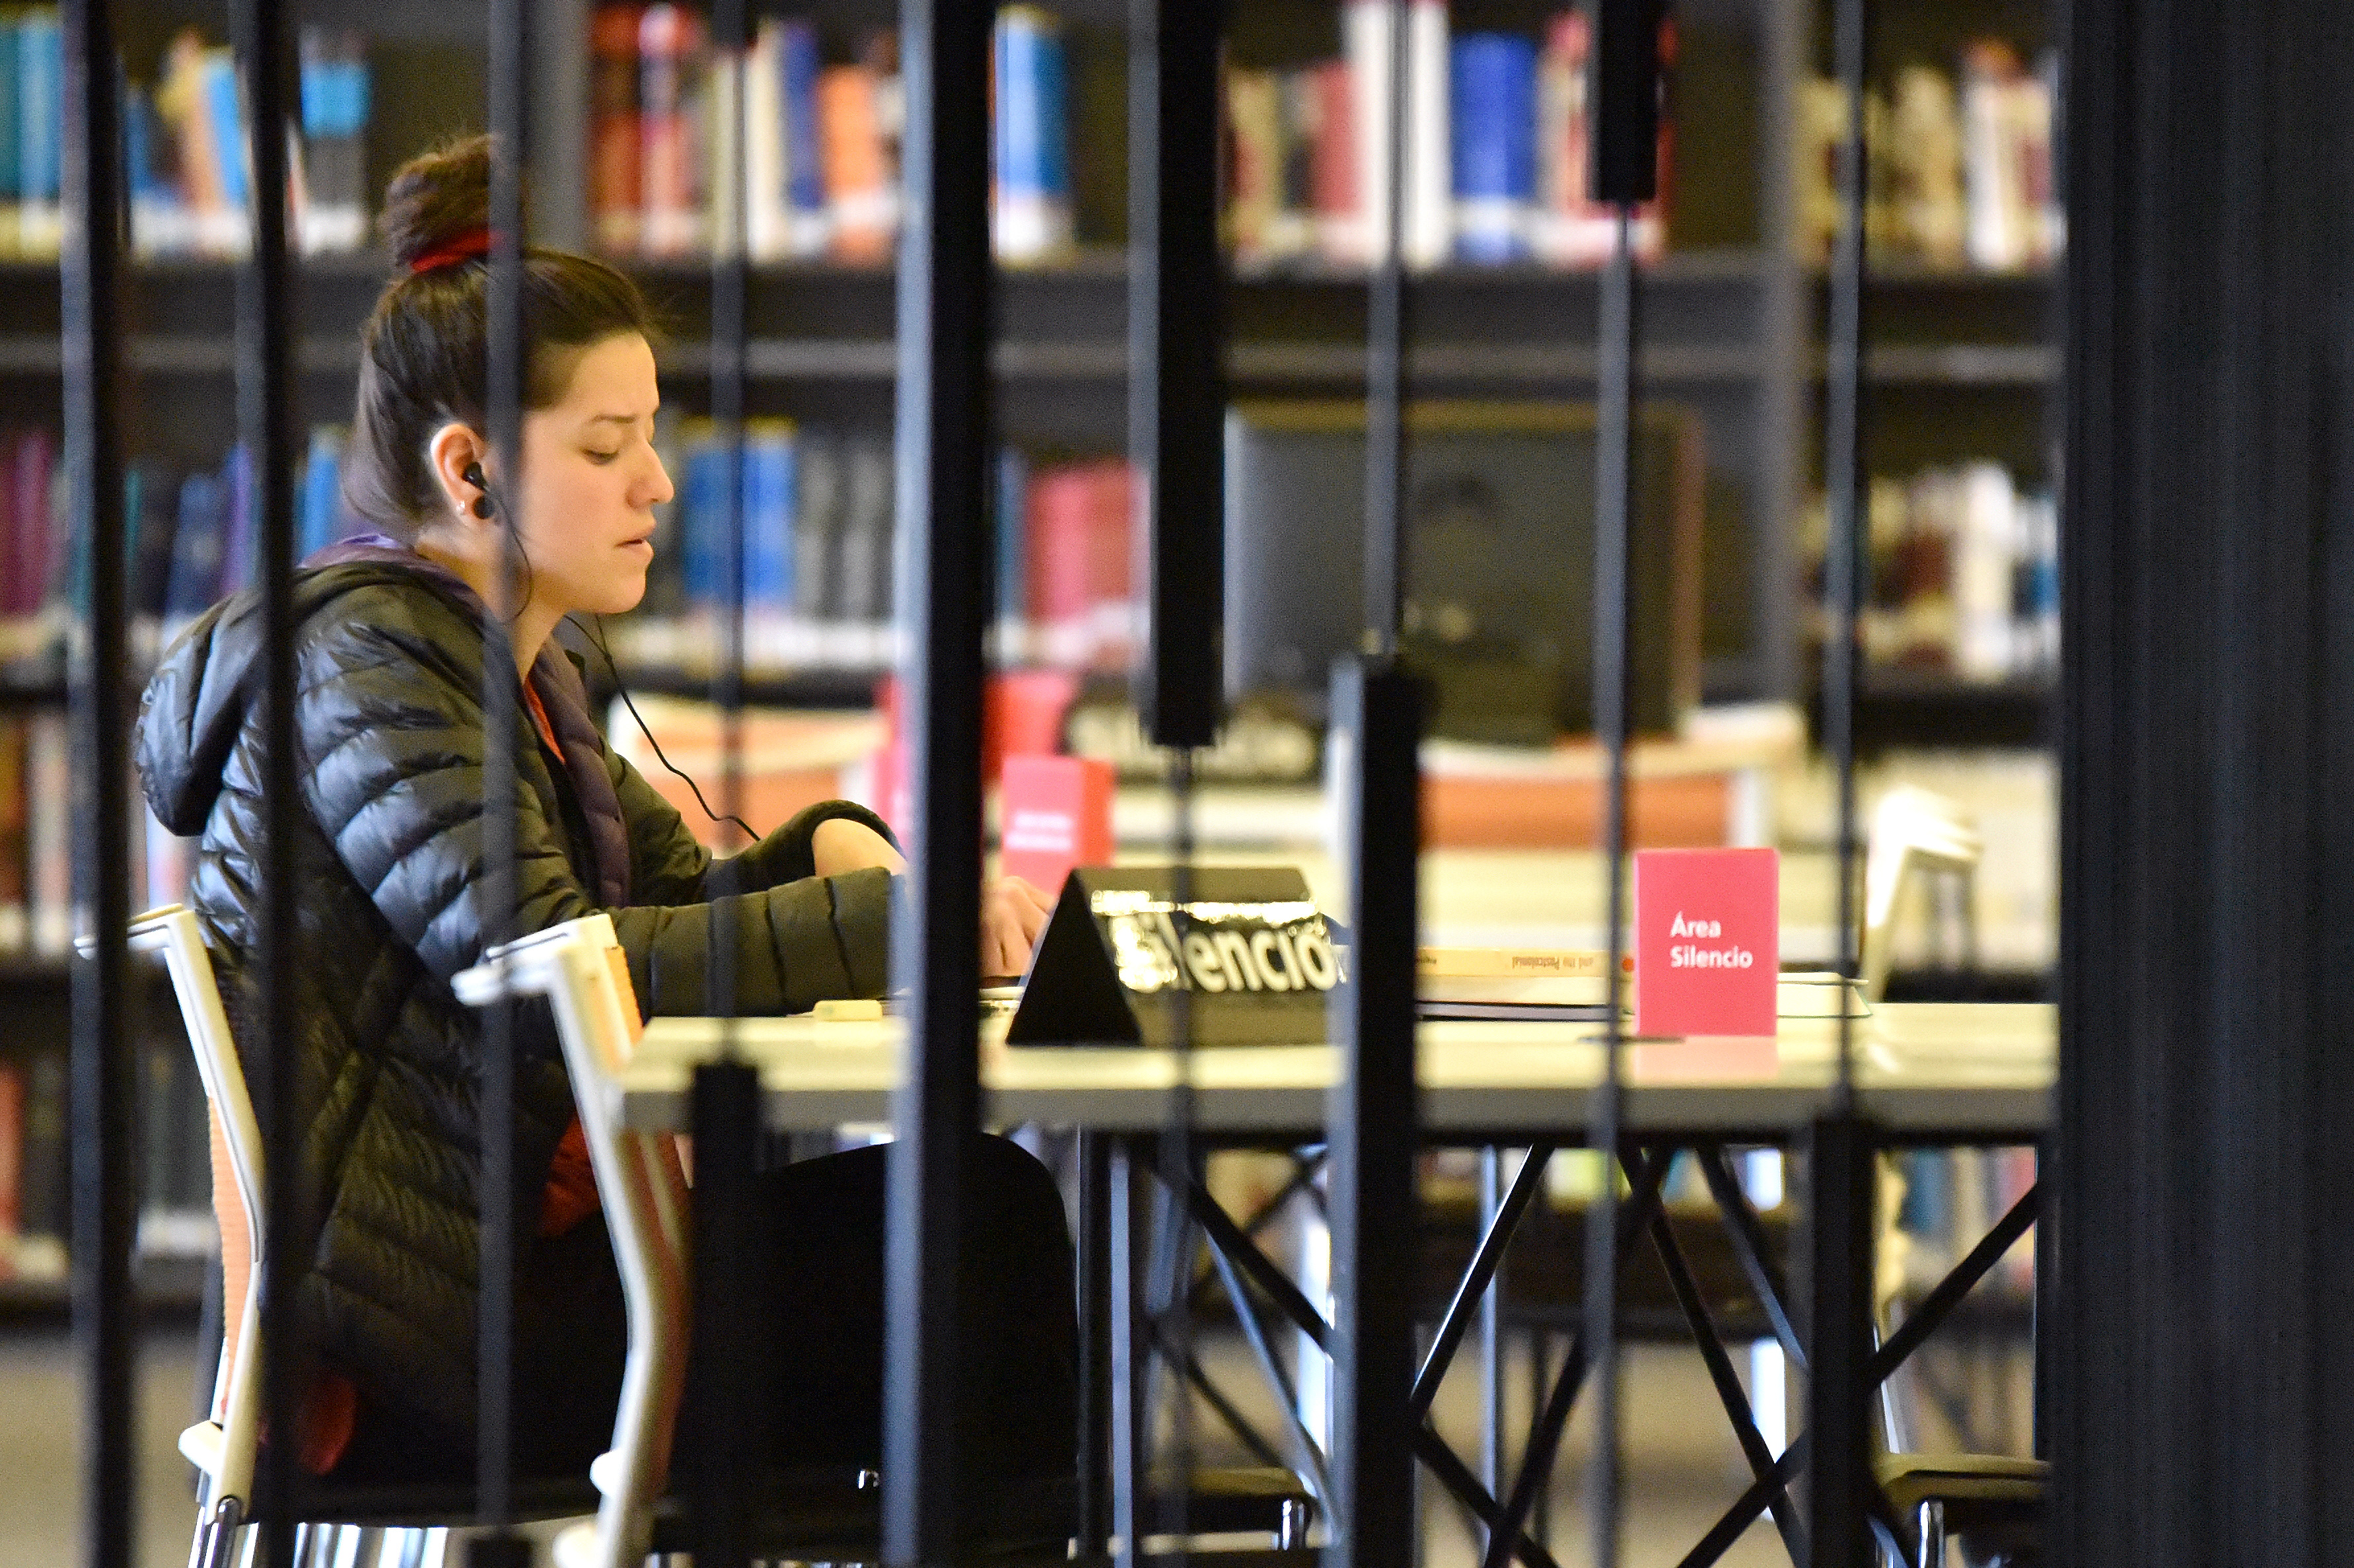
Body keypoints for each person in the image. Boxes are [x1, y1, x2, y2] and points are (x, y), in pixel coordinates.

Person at [135, 135, 1075, 1493]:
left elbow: (671, 904)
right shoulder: (366, 666)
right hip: (428, 1349)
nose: (657, 483)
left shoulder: (518, 673)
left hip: (506, 1290)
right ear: (471, 472)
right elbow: (546, 965)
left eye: (651, 437)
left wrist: (824, 849)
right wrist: (885, 919)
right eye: (606, 444)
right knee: (976, 1221)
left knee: (967, 1218)